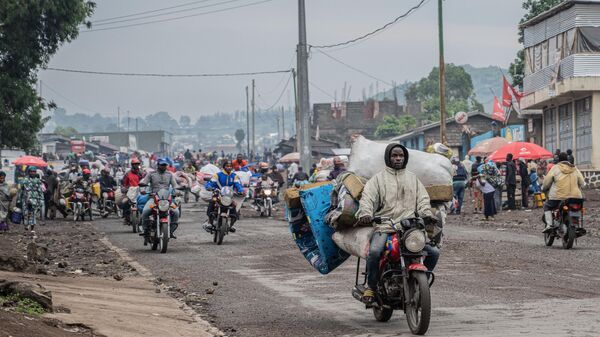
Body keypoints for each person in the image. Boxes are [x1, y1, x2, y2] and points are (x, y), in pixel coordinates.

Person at [355, 144, 439, 303]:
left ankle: (421, 284)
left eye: (401, 156)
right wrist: (365, 213)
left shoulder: (413, 179)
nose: (398, 158)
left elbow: (422, 200)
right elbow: (367, 198)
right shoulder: (378, 179)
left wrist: (426, 214)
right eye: (395, 156)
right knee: (374, 252)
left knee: (433, 252)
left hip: (409, 229)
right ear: (388, 157)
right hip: (384, 227)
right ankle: (371, 287)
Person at [541, 152, 585, 233]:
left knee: (547, 206)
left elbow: (546, 183)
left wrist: (543, 189)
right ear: (567, 159)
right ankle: (579, 225)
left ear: (558, 160)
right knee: (578, 209)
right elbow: (583, 183)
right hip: (575, 197)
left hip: (558, 197)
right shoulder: (575, 168)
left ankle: (549, 225)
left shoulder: (555, 168)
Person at [140, 158, 180, 239]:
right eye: (162, 165)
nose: (164, 166)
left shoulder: (169, 174)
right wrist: (143, 189)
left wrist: (178, 191)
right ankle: (144, 229)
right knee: (145, 211)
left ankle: (171, 231)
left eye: (165, 165)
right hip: (153, 198)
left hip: (166, 200)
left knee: (176, 212)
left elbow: (175, 185)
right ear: (158, 165)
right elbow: (144, 183)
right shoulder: (151, 174)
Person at [203, 161, 244, 233]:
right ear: (224, 167)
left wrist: (240, 190)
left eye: (230, 166)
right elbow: (211, 183)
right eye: (227, 166)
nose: (229, 167)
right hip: (218, 194)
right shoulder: (217, 175)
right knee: (212, 202)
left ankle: (231, 225)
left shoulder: (234, 176)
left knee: (234, 208)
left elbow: (238, 184)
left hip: (229, 196)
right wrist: (209, 187)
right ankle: (209, 222)